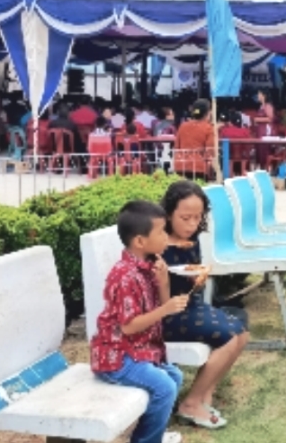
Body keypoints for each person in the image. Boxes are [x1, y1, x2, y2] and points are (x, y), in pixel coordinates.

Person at [90, 200, 188, 443]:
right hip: (116, 357)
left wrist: (163, 283)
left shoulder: (149, 266)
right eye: (162, 231)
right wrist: (165, 308)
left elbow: (160, 307)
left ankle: (153, 433)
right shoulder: (125, 276)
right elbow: (129, 325)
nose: (167, 236)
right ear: (140, 241)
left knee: (174, 376)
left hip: (138, 350)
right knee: (165, 387)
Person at [160, 181, 249, 428]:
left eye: (197, 218)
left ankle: (204, 392)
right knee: (231, 337)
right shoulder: (157, 244)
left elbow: (192, 282)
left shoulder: (193, 238)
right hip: (165, 314)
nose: (191, 224)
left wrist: (198, 279)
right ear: (169, 213)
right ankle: (190, 404)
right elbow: (157, 297)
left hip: (189, 306)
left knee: (243, 332)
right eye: (185, 217)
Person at [174, 99, 214, 179]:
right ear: (207, 113)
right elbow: (210, 152)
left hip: (181, 165)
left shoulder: (183, 126)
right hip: (199, 167)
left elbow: (176, 147)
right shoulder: (208, 128)